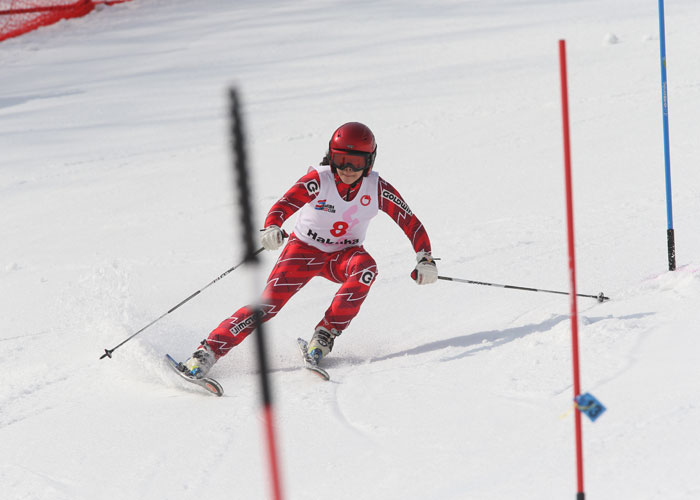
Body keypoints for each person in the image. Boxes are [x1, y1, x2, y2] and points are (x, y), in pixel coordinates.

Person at [183, 122, 438, 377]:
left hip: (342, 257)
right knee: (268, 306)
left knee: (366, 270)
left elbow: (410, 222)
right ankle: (206, 352)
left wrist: (424, 257)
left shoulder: (377, 188)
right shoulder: (319, 179)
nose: (348, 169)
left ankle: (325, 334)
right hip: (302, 251)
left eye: (357, 162)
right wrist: (271, 227)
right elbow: (284, 204)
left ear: (369, 162)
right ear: (331, 156)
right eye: (341, 159)